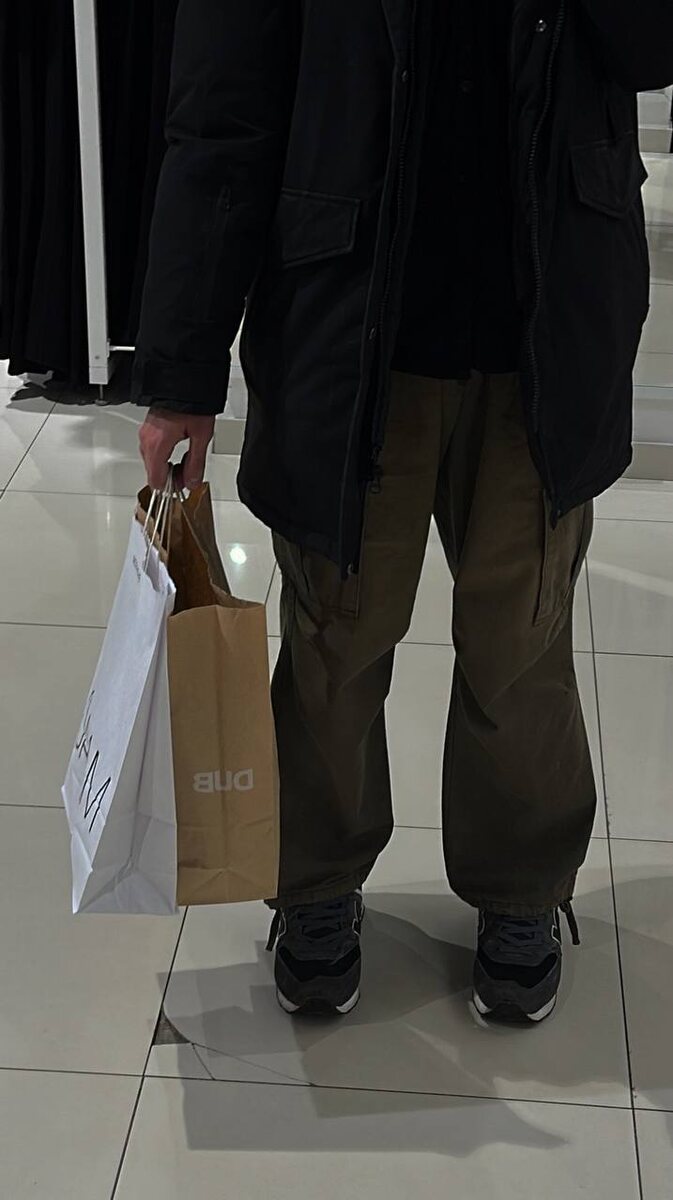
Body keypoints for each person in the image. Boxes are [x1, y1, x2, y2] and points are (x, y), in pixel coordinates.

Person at [135, 0, 672, 1022]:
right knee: (335, 637)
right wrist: (181, 370)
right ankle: (314, 880)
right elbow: (220, 116)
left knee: (521, 639)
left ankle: (521, 883)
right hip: (347, 326)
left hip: (542, 328)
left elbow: (650, 46)